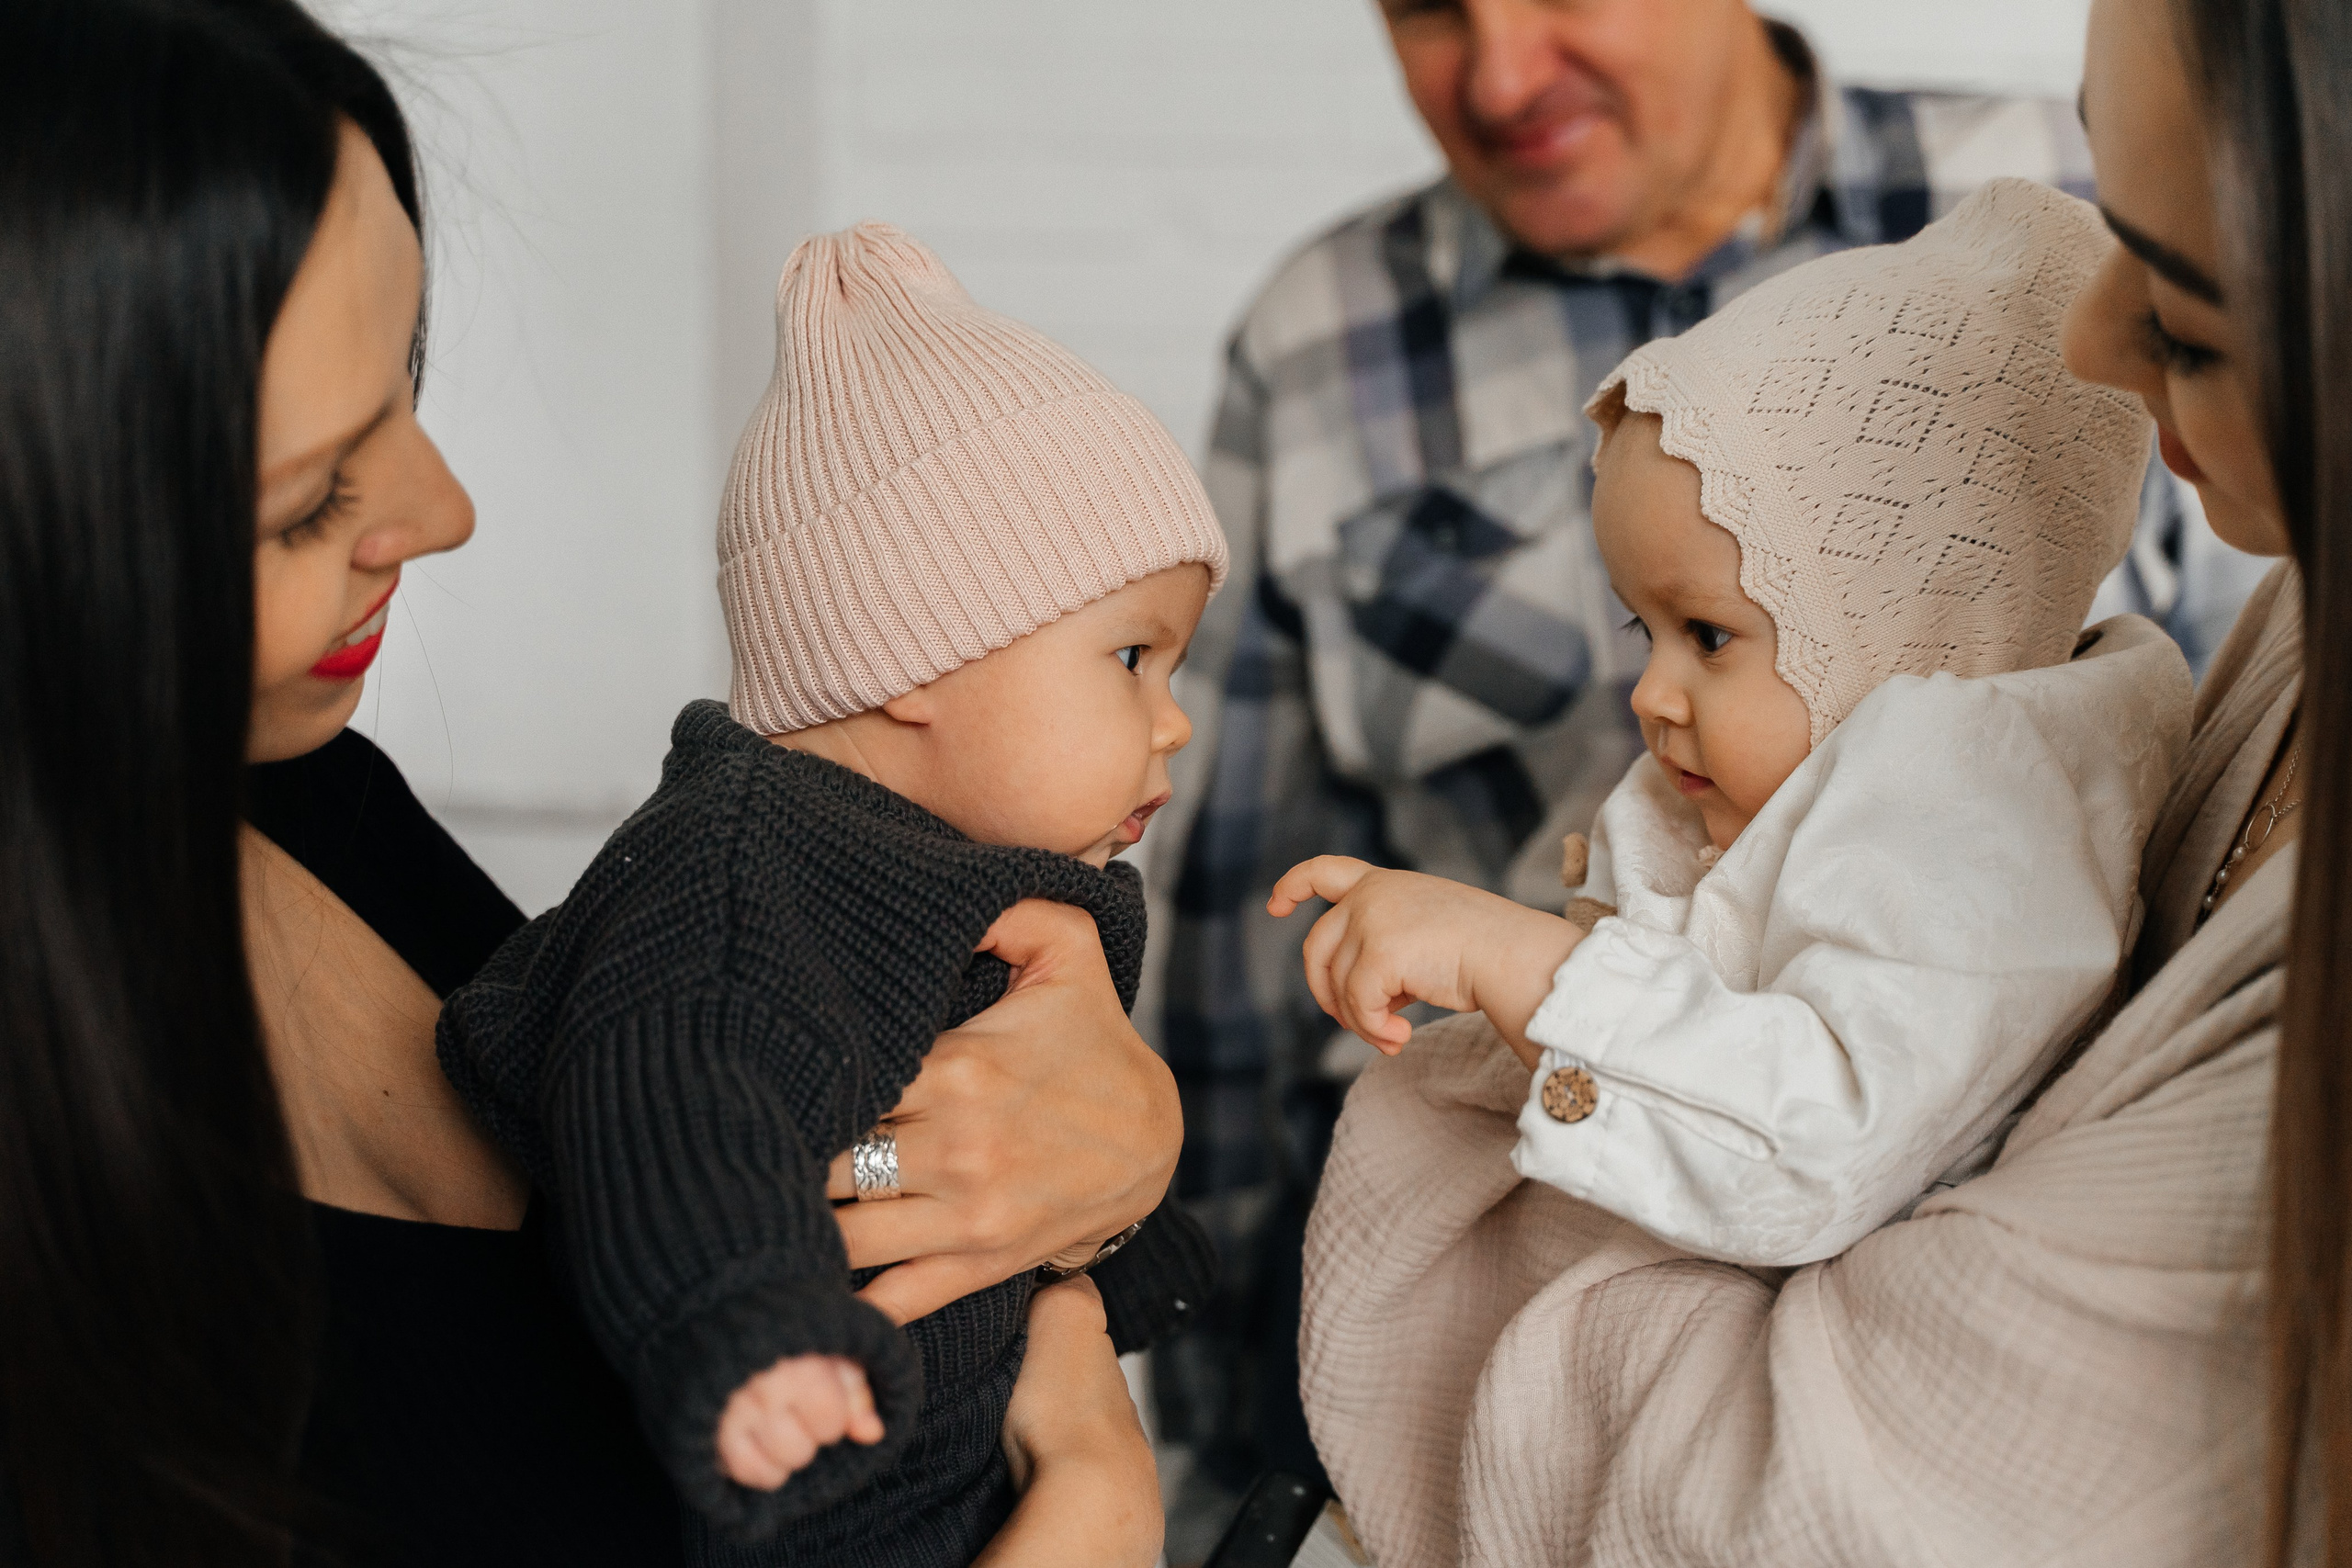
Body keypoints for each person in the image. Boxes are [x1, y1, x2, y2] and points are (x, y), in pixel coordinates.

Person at [0, 4, 1176, 1564]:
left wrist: (1086, 1169)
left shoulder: (323, 801)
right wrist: (1091, 1494)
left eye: (409, 391)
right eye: (311, 496)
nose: (445, 509)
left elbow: (719, 1152)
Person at [1145, 0, 2256, 1487]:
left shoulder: (2130, 215)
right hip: (1442, 1361)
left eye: (1710, 637)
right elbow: (1224, 941)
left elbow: (1837, 1118)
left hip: (1741, 1409)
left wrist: (1517, 962)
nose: (1498, 72)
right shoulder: (1319, 335)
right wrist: (1204, 1417)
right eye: (1423, 8)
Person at [437, 222, 1226, 1568]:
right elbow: (671, 1115)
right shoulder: (743, 877)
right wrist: (751, 1331)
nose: (1175, 723)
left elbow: (994, 1133)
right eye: (1134, 657)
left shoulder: (956, 860)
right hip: (822, 1492)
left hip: (960, 1471)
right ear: (914, 648)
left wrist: (1130, 1246)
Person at [1271, 178, 2192, 1267]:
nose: (1649, 695)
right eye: (1640, 628)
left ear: (1911, 632)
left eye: (1706, 637)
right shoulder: (1794, 794)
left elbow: (1815, 1147)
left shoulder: (1974, 839)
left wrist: (1517, 966)